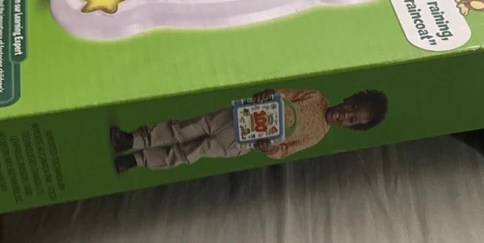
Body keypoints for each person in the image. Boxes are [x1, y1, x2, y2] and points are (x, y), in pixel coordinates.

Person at [109, 88, 388, 173]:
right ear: (349, 99)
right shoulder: (315, 97)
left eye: (352, 120)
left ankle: (137, 160)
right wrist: (267, 93)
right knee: (187, 128)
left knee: (192, 151)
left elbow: (285, 151)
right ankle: (132, 140)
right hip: (239, 117)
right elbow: (282, 93)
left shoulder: (318, 134)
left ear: (350, 127)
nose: (346, 115)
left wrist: (270, 148)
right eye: (352, 108)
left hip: (243, 142)